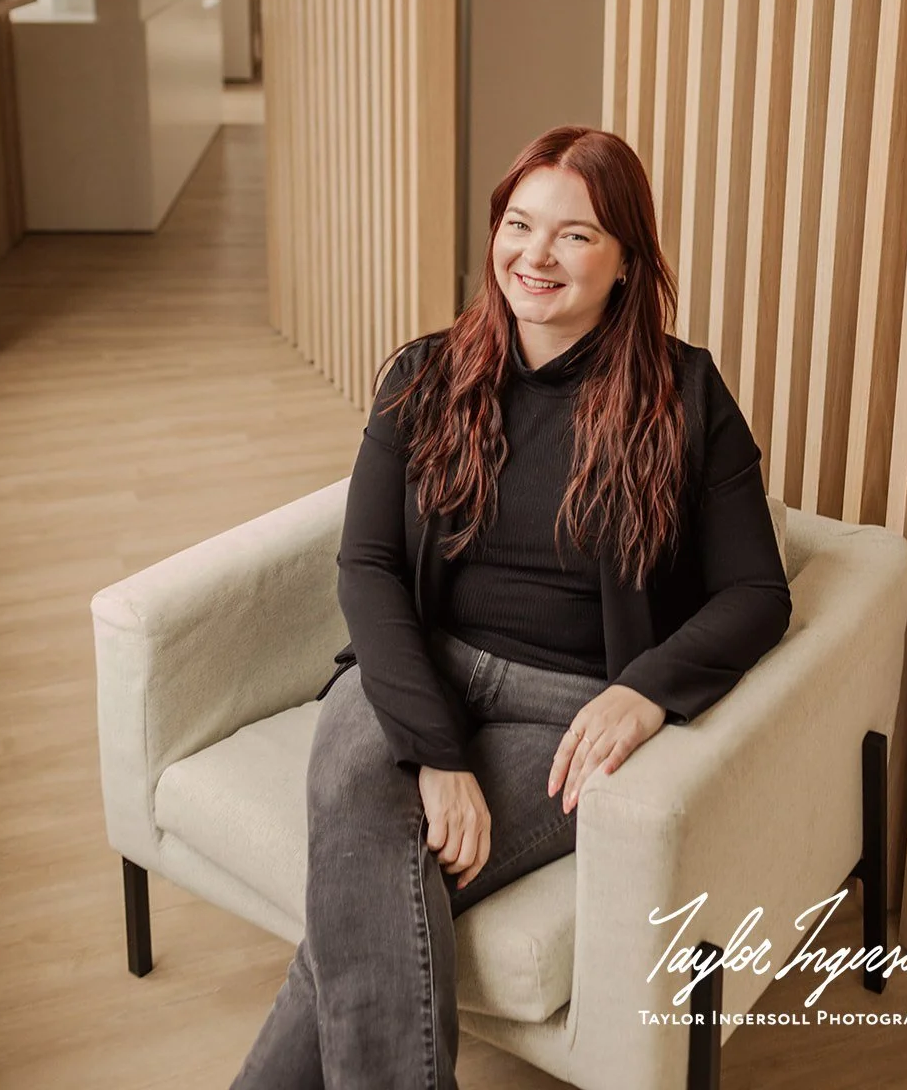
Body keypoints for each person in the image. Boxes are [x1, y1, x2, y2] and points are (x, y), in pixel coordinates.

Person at [230, 125, 792, 1090]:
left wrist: (645, 691)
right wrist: (436, 754)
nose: (537, 255)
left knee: (363, 889)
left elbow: (758, 593)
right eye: (520, 225)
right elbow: (367, 566)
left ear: (626, 261)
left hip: (570, 705)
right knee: (363, 827)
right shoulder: (425, 375)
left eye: (576, 235)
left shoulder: (686, 395)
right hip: (419, 668)